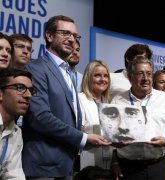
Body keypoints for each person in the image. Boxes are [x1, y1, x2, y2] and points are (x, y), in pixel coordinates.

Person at [22, 15, 111, 179]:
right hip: (43, 167)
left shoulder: (68, 73)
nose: (72, 39)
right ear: (49, 36)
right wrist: (82, 137)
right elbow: (40, 117)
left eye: (75, 36)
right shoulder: (36, 68)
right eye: (65, 33)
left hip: (65, 166)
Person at [110, 56, 165, 180]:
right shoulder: (117, 100)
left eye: (149, 74)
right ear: (130, 77)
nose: (145, 78)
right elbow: (111, 132)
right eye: (140, 74)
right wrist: (116, 151)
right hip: (128, 167)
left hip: (159, 165)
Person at [0, 68, 36, 180]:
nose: (28, 95)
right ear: (0, 94)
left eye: (31, 90)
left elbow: (14, 174)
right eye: (20, 88)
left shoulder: (16, 133)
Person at [78, 60, 114, 170]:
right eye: (97, 75)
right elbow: (76, 129)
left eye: (106, 76)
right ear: (88, 78)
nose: (103, 79)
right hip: (86, 157)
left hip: (108, 159)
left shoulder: (109, 103)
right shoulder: (79, 98)